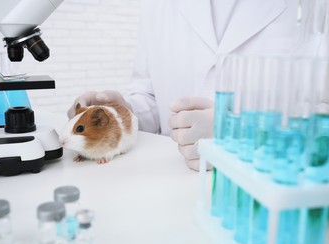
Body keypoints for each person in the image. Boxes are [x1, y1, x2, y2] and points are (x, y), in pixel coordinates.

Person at [67, 0, 298, 171]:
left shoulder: (318, 7)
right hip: (171, 176)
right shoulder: (157, 6)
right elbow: (151, 95)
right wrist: (123, 113)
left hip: (262, 182)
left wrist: (244, 134)